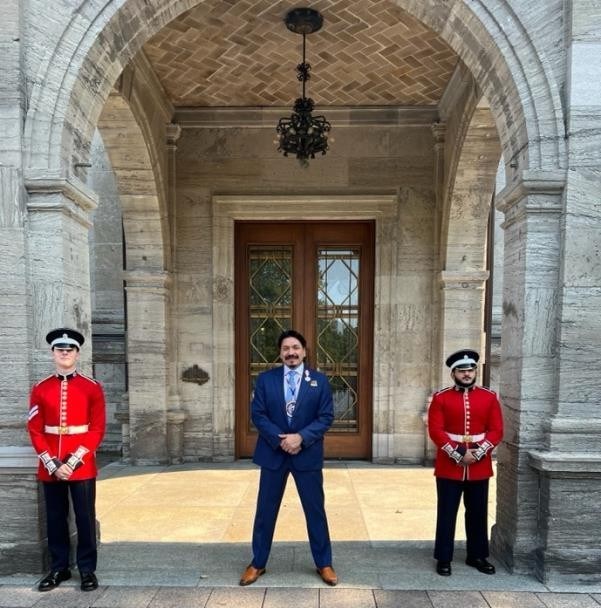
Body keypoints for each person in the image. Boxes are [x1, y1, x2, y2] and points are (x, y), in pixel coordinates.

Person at [239, 329, 337, 587]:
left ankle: (324, 563)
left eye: (295, 347)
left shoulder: (319, 380)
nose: (291, 352)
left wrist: (301, 438)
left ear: (304, 351)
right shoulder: (265, 379)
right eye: (286, 348)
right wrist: (281, 440)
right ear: (280, 353)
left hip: (307, 455)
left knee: (315, 510)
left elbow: (326, 417)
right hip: (274, 454)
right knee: (265, 511)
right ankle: (257, 563)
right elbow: (258, 414)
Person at [27, 328, 106, 592]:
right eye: (60, 349)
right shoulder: (40, 388)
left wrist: (73, 461)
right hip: (50, 463)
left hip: (81, 464)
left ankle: (87, 570)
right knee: (55, 517)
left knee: (84, 518)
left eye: (69, 349)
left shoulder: (91, 387)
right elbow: (35, 428)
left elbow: (97, 428)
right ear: (53, 353)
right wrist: (51, 462)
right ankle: (59, 568)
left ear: (77, 353)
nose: (64, 353)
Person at [427, 348, 503, 577]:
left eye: (471, 370)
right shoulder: (441, 398)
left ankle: (477, 555)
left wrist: (478, 453)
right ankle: (443, 557)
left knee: (478, 512)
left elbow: (496, 430)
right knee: (447, 512)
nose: (467, 374)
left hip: (479, 465)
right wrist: (459, 454)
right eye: (462, 371)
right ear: (453, 374)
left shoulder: (489, 397)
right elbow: (436, 431)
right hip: (450, 466)